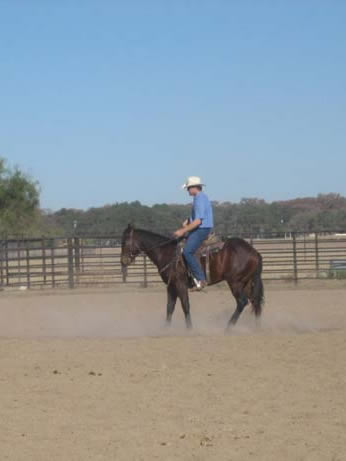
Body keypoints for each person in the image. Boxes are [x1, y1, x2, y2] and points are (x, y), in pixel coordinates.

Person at [174, 176, 214, 290]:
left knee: (187, 252)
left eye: (188, 188)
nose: (187, 190)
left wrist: (183, 230)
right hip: (199, 228)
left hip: (201, 229)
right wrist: (187, 221)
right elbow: (196, 217)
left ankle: (201, 279)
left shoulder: (200, 198)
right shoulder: (199, 198)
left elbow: (198, 221)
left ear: (194, 187)